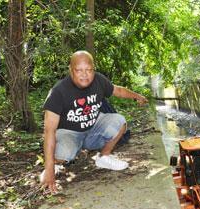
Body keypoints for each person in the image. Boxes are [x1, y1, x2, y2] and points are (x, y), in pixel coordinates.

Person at [40, 50, 148, 193]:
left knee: (119, 121)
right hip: (69, 134)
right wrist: (49, 169)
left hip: (92, 129)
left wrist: (137, 96)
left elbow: (118, 91)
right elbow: (49, 131)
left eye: (89, 70)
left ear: (93, 69)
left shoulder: (99, 80)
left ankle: (104, 157)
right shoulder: (58, 92)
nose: (85, 75)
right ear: (71, 70)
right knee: (64, 153)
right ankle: (55, 165)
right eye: (79, 70)